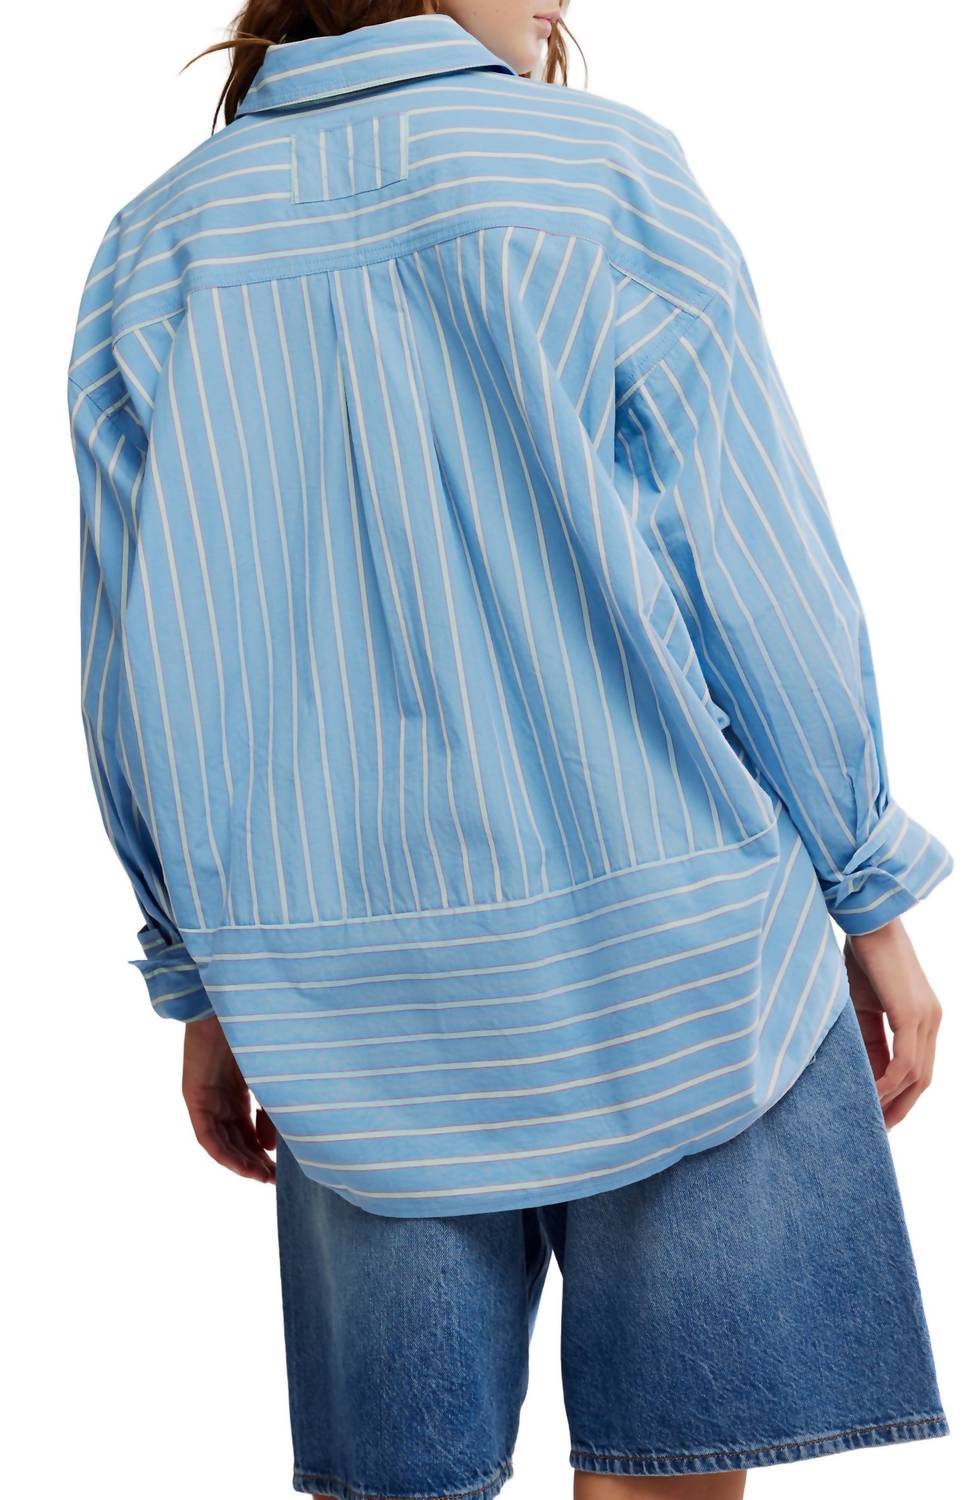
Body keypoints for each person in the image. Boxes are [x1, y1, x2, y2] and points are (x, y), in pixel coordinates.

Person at [66, 2, 955, 1495]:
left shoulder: (156, 246)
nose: (562, 0)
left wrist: (201, 979)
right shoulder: (600, 172)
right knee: (670, 1477)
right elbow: (753, 573)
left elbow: (136, 665)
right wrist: (868, 892)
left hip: (342, 1001)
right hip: (682, 956)